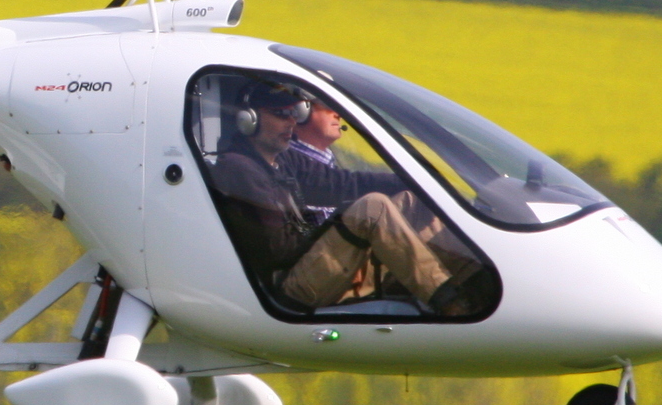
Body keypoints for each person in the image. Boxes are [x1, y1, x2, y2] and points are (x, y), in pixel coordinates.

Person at [209, 81, 489, 316]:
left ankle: (477, 280)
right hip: (290, 287)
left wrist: (417, 180)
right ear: (249, 119)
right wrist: (342, 226)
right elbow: (278, 249)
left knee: (408, 200)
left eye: (293, 113)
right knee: (372, 208)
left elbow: (345, 184)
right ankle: (449, 303)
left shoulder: (285, 159)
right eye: (281, 114)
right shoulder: (238, 168)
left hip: (312, 268)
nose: (291, 122)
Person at [288, 101, 343, 168]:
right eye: (329, 108)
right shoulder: (291, 165)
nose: (338, 115)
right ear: (300, 109)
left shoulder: (325, 164)